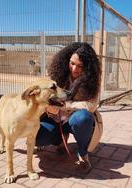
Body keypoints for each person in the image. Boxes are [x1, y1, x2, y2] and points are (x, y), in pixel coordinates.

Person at [36, 42, 103, 173]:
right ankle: (60, 139)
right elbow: (43, 96)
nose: (74, 69)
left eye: (80, 66)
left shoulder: (93, 80)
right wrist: (47, 107)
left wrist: (64, 106)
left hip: (76, 119)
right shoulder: (57, 74)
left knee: (83, 118)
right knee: (37, 137)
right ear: (67, 59)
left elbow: (91, 105)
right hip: (56, 119)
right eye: (72, 63)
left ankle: (82, 152)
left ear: (88, 67)